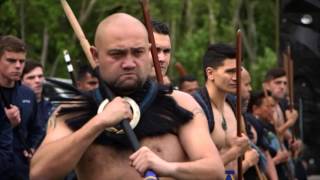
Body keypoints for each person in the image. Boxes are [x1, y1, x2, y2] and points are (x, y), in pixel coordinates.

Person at [30, 13, 224, 180]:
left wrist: (165, 167)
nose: (129, 63)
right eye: (117, 54)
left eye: (138, 52)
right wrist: (97, 123)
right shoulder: (72, 111)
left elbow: (215, 171)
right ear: (95, 56)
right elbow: (39, 174)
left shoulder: (180, 103)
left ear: (149, 52)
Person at [192, 43, 249, 177]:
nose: (236, 78)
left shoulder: (234, 104)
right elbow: (193, 168)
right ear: (210, 73)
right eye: (230, 72)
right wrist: (234, 152)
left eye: (238, 71)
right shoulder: (196, 107)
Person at [0, 35, 42, 179]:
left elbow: (36, 129)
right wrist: (5, 122)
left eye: (21, 61)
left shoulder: (28, 94)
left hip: (21, 170)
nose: (18, 66)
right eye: (11, 60)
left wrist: (32, 147)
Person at [21, 60, 53, 141]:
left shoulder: (51, 106)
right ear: (20, 81)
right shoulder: (16, 106)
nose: (37, 81)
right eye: (31, 77)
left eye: (40, 76)